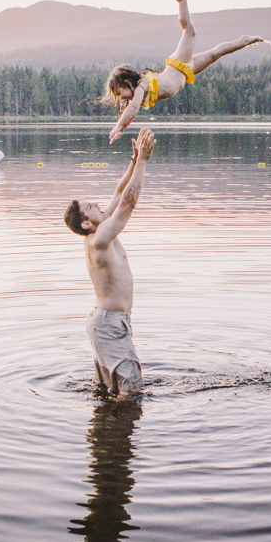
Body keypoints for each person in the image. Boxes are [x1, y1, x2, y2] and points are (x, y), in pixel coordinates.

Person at [104, 0, 263, 144]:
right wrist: (122, 129)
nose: (120, 97)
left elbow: (133, 108)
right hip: (185, 71)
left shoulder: (142, 84)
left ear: (128, 81)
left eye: (118, 91)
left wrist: (118, 125)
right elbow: (132, 112)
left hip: (177, 64)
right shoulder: (137, 95)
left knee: (190, 31)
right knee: (215, 54)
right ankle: (244, 41)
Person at [64, 127, 157, 396]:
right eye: (90, 206)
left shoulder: (100, 225)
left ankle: (106, 432)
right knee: (132, 392)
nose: (96, 204)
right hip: (110, 323)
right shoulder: (100, 238)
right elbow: (128, 202)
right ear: (85, 222)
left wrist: (133, 160)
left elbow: (119, 191)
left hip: (108, 322)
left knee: (109, 393)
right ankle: (118, 436)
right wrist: (143, 162)